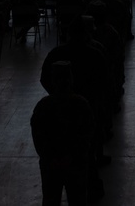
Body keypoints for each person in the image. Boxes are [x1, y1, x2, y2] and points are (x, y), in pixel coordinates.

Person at [32, 61, 94, 206]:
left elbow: (38, 138)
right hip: (76, 163)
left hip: (50, 165)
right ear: (71, 80)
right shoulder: (81, 105)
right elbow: (87, 136)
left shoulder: (43, 106)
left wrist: (51, 158)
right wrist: (71, 157)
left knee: (50, 199)